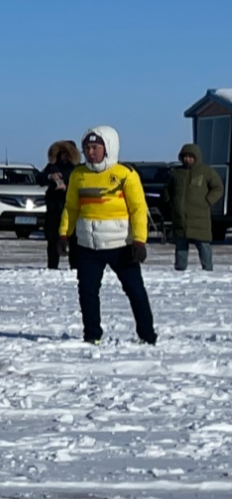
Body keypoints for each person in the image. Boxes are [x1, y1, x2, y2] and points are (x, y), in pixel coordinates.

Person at [61, 126, 156, 344]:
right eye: (87, 148)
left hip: (121, 246)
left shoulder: (125, 175)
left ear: (109, 148)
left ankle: (147, 335)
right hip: (88, 246)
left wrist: (140, 241)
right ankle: (92, 335)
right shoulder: (78, 175)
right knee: (87, 292)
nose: (90, 152)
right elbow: (71, 207)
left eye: (95, 147)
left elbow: (138, 209)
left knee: (135, 291)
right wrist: (64, 234)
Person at [167, 143, 223, 272]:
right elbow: (167, 190)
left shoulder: (206, 171)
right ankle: (180, 270)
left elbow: (218, 188)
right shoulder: (176, 173)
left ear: (196, 157)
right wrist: (172, 203)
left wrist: (207, 201)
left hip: (200, 218)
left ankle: (208, 269)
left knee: (203, 245)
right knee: (181, 246)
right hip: (180, 218)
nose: (187, 159)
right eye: (185, 156)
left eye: (190, 156)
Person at [41, 141, 79, 271]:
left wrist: (67, 187)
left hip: (71, 208)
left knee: (73, 239)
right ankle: (52, 266)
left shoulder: (76, 169)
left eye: (67, 154)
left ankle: (74, 266)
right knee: (52, 239)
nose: (64, 157)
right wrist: (50, 176)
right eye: (62, 154)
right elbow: (39, 178)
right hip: (54, 208)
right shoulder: (52, 166)